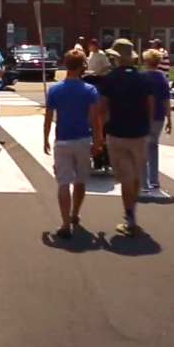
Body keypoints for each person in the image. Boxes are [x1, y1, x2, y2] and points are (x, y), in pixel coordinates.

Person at [96, 38, 155, 235]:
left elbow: (102, 109)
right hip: (139, 132)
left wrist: (99, 134)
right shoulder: (144, 77)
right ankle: (132, 212)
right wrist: (147, 126)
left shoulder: (109, 79)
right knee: (136, 173)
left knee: (124, 177)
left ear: (116, 58)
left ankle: (130, 217)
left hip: (118, 132)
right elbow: (150, 105)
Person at [43, 49, 102, 238]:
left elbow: (49, 116)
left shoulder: (55, 90)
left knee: (63, 182)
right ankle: (75, 212)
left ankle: (65, 223)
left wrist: (45, 137)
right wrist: (98, 140)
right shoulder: (90, 90)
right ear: (82, 66)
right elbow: (95, 118)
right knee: (80, 180)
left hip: (62, 139)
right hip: (83, 139)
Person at [142, 50, 174, 200]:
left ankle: (143, 181)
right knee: (153, 146)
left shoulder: (142, 77)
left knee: (142, 148)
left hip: (143, 115)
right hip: (159, 115)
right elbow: (166, 99)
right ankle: (154, 179)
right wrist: (169, 117)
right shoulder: (162, 78)